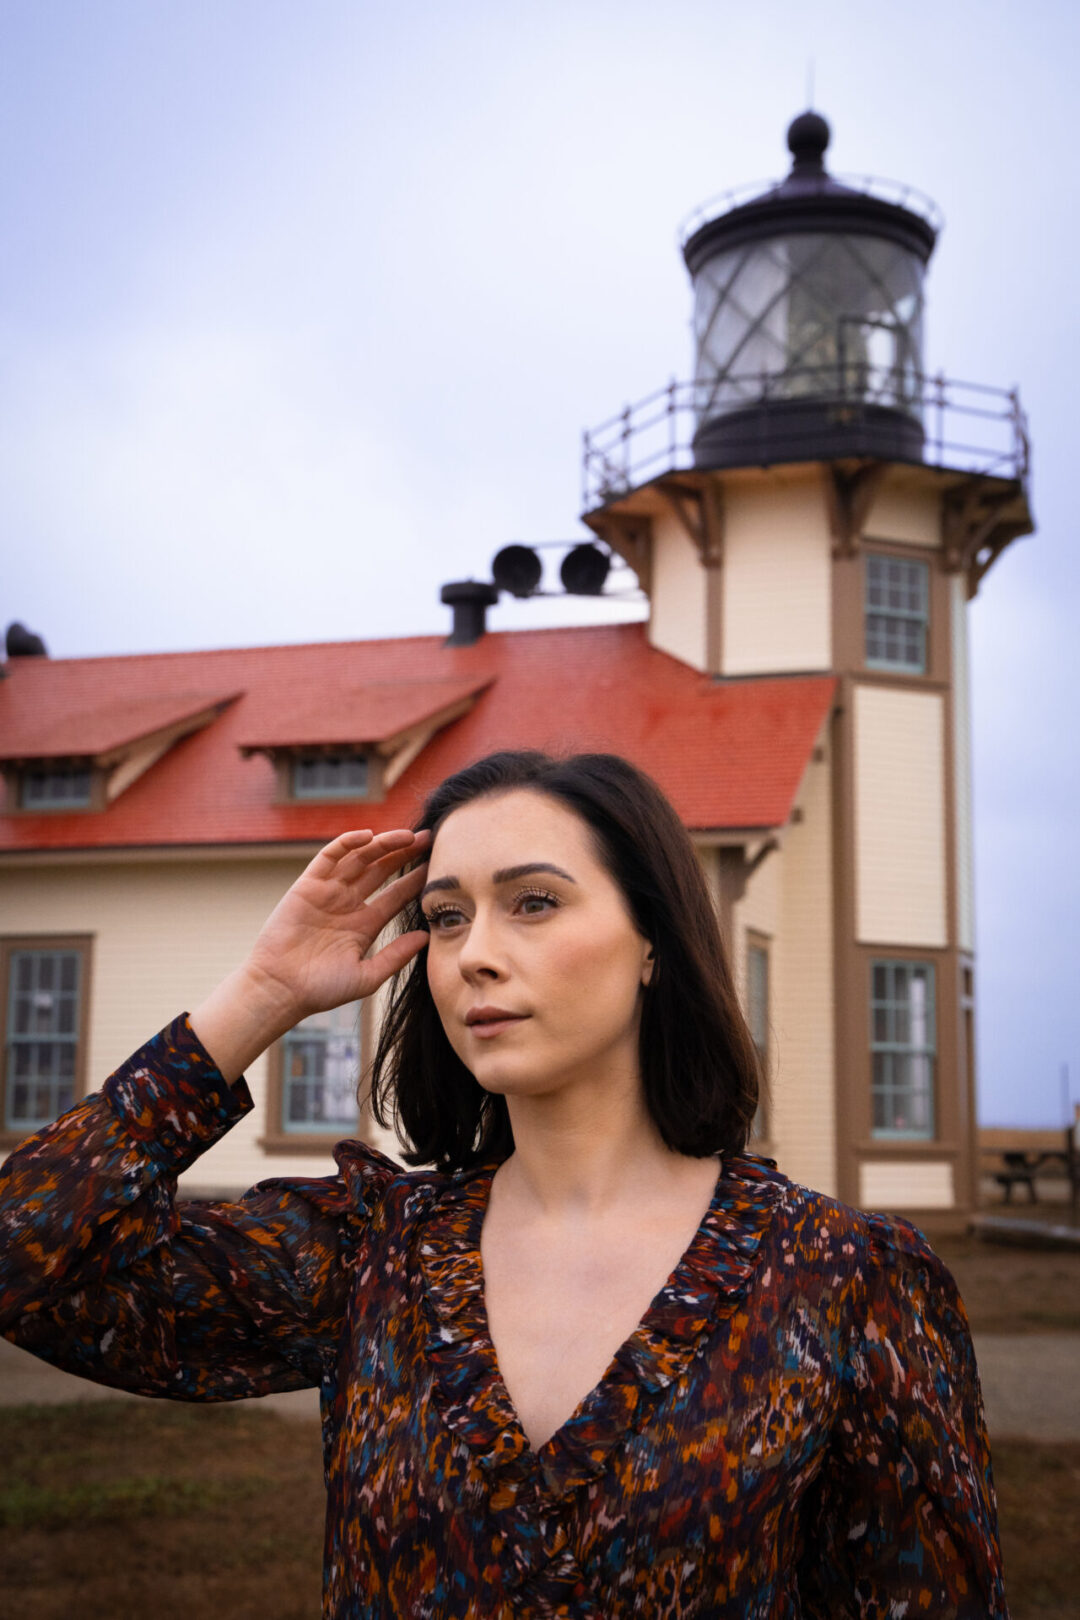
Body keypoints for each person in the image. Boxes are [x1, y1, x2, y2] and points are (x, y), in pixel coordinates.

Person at [0, 750, 1007, 1618]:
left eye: (533, 902)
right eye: (444, 917)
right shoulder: (367, 1251)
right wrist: (260, 996)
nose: (476, 954)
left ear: (652, 940)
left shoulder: (845, 1282)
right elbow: (21, 1256)